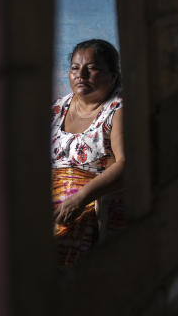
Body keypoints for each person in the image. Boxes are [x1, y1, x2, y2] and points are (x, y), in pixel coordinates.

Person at [50, 39, 125, 266]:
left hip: (89, 199)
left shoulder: (118, 110)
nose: (80, 74)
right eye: (75, 68)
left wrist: (79, 200)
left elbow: (126, 164)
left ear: (112, 75)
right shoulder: (58, 108)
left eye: (92, 68)